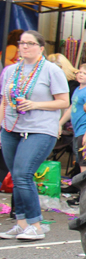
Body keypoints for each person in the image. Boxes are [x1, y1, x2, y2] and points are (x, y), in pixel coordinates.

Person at [0, 31, 70, 242]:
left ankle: (36, 225)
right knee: (16, 175)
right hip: (11, 127)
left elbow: (63, 101)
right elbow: (4, 100)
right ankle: (22, 224)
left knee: (23, 174)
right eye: (22, 43)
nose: (24, 47)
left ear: (41, 48)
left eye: (30, 43)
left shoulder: (51, 70)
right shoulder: (10, 70)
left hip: (40, 129)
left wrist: (36, 104)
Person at [58, 63, 86, 181]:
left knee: (83, 162)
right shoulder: (78, 88)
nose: (81, 75)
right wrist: (60, 123)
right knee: (78, 158)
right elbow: (72, 107)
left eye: (85, 73)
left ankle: (83, 190)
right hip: (77, 129)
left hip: (84, 129)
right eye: (79, 72)